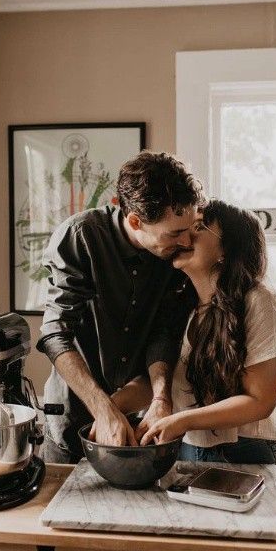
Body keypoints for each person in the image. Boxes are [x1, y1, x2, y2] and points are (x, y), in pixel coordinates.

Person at [37, 151, 203, 462]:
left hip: (142, 421)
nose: (187, 242)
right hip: (72, 420)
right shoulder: (81, 236)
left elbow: (163, 333)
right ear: (135, 221)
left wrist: (160, 397)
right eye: (175, 233)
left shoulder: (173, 255)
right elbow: (55, 333)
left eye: (190, 228)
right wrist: (103, 408)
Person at [112, 202, 276, 470]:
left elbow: (260, 401)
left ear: (227, 249)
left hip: (247, 453)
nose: (184, 237)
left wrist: (182, 420)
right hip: (188, 450)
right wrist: (108, 408)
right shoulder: (185, 306)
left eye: (198, 228)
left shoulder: (259, 301)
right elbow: (166, 382)